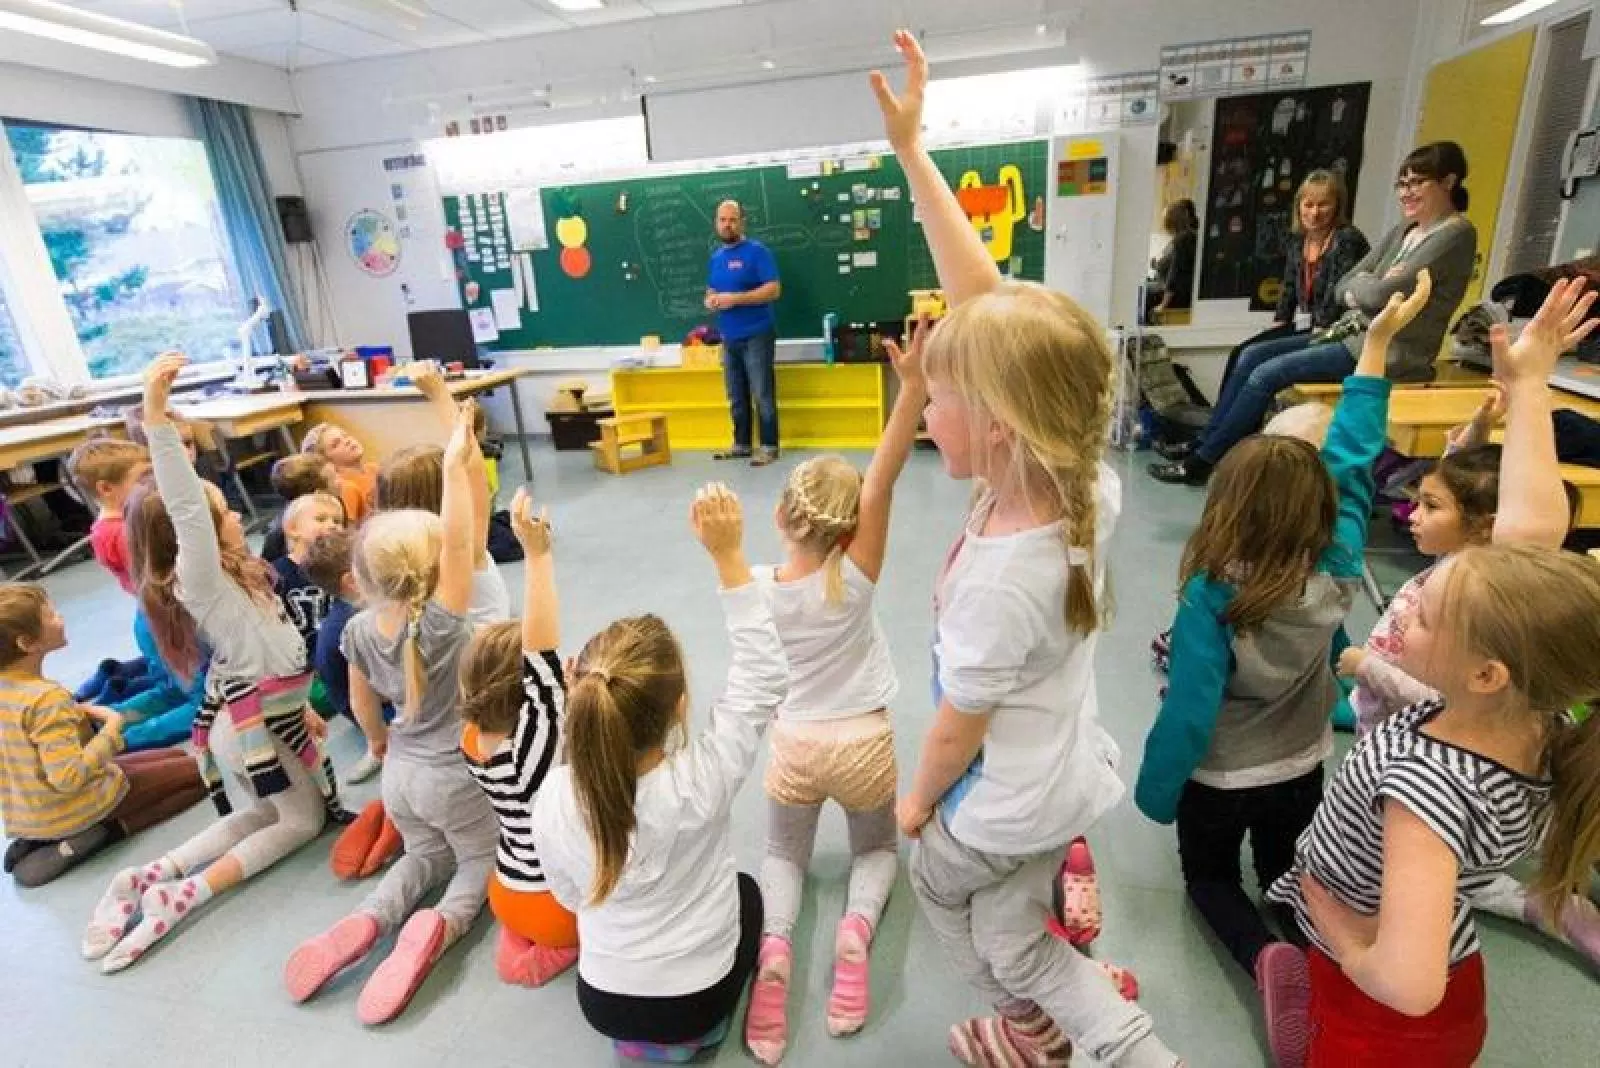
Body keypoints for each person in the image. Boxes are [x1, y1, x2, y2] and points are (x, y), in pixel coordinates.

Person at [871, 32, 1182, 1068]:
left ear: (999, 420)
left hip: (1000, 805)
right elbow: (990, 310)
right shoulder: (1078, 478)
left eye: (941, 397)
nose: (925, 411)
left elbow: (954, 733)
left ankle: (1032, 1030)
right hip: (1062, 779)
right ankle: (1082, 1011)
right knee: (1016, 919)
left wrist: (914, 804)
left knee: (962, 908)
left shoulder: (1004, 577)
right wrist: (914, 155)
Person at [1132, 273, 1428, 1065]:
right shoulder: (1335, 559)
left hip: (1222, 778)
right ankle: (1320, 941)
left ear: (1224, 505)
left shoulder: (1211, 593)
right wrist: (1373, 352)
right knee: (1286, 867)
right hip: (1302, 765)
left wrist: (1158, 791)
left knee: (1211, 882)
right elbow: (1354, 457)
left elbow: (1191, 712)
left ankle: (1264, 958)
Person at [1337, 281, 1600, 973]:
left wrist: (1368, 667)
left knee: (1447, 874)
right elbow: (1526, 535)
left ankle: (1536, 901)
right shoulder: (1507, 635)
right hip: (1446, 771)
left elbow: (1406, 980)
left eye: (1422, 615)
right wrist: (1524, 395)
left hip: (1411, 805)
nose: (1410, 612)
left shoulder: (1440, 761)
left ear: (1485, 674)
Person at [82, 353, 339, 974]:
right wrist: (154, 421)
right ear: (188, 536)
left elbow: (273, 648)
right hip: (246, 730)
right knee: (300, 823)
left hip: (254, 715)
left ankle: (148, 875)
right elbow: (186, 507)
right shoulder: (201, 580)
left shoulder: (230, 573)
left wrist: (299, 704)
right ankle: (184, 896)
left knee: (258, 813)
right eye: (223, 510)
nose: (231, 515)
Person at [530, 483, 786, 1062]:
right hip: (697, 997)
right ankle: (701, 1035)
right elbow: (763, 679)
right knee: (749, 891)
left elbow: (570, 895)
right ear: (679, 707)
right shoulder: (701, 781)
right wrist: (728, 558)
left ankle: (653, 1042)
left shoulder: (552, 797)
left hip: (604, 1003)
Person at [741, 323, 924, 1065]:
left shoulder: (753, 591)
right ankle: (856, 930)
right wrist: (910, 387)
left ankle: (777, 948)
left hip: (796, 745)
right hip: (864, 745)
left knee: (782, 856)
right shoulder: (859, 574)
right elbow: (880, 479)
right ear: (849, 532)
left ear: (783, 518)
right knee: (875, 848)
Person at [284, 405, 496, 1026]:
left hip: (398, 771)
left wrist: (377, 744)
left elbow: (359, 706)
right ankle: (437, 926)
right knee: (477, 860)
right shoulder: (441, 622)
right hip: (454, 774)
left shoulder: (354, 629)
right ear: (433, 573)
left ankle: (367, 918)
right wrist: (459, 459)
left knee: (422, 855)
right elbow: (459, 539)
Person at [1154, 142, 1478, 485]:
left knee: (1266, 374)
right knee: (1249, 355)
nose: (1407, 192)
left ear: (1449, 182)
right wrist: (1368, 286)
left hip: (1387, 352)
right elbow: (1346, 284)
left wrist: (1369, 286)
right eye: (1403, 183)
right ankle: (1205, 445)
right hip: (1348, 333)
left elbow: (1380, 294)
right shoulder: (1405, 230)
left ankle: (1203, 462)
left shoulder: (1455, 235)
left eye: (1417, 182)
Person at [0, 584, 204, 888]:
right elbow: (68, 777)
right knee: (202, 774)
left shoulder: (13, 688)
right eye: (51, 615)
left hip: (31, 809)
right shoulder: (45, 699)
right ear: (27, 643)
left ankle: (40, 837)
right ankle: (103, 832)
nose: (61, 618)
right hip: (75, 804)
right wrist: (112, 727)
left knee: (176, 757)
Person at [1157, 171, 1369, 463]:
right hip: (1306, 326)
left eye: (1324, 205)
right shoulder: (1300, 240)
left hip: (1333, 331)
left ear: (1338, 205)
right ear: (1299, 206)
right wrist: (1281, 320)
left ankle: (1209, 455)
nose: (1315, 213)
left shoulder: (1347, 241)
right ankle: (1207, 439)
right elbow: (1290, 285)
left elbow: (1338, 294)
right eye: (1308, 205)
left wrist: (1305, 329)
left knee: (1260, 366)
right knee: (1241, 354)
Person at [458, 487, 578, 988]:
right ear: (532, 695)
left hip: (505, 887)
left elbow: (535, 678)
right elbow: (542, 649)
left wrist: (560, 696)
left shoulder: (473, 740)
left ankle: (519, 938)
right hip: (550, 901)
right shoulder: (534, 741)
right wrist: (538, 556)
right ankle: (549, 953)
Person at [375, 363, 510, 625]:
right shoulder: (464, 551)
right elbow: (473, 471)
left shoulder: (395, 558)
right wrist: (439, 395)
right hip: (485, 662)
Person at [706, 199, 783, 467]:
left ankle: (769, 445)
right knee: (736, 394)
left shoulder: (757, 252)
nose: (727, 224)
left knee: (762, 392)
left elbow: (773, 289)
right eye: (722, 220)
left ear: (742, 222)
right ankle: (741, 444)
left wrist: (735, 299)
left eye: (732, 219)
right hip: (729, 337)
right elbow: (713, 289)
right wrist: (711, 299)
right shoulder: (716, 258)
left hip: (757, 334)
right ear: (717, 223)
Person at [261, 453, 341, 564]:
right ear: (318, 493)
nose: (341, 480)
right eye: (334, 478)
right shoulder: (279, 536)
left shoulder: (335, 507)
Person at [301, 422, 378, 526]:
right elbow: (348, 533)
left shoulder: (374, 468)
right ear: (324, 460)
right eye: (336, 444)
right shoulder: (344, 488)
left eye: (345, 436)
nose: (347, 441)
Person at [1146, 199, 1198, 324]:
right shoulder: (1189, 238)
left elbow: (1175, 275)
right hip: (1180, 292)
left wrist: (1163, 305)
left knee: (1144, 293)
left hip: (1178, 296)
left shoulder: (1183, 240)